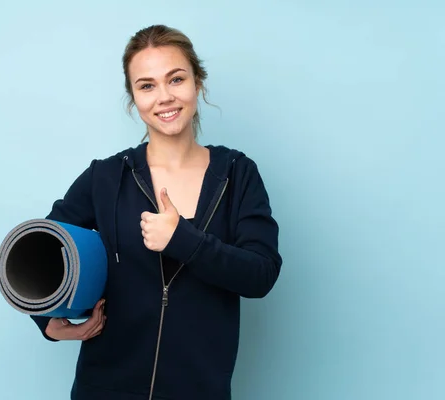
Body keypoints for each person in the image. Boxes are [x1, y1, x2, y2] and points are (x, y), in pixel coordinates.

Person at [30, 24, 282, 400]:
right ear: (133, 98)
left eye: (176, 79)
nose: (164, 97)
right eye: (147, 85)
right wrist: (48, 321)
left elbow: (260, 275)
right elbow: (39, 252)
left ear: (198, 83)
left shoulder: (237, 174)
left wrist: (184, 240)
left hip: (200, 390)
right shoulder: (106, 177)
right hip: (105, 389)